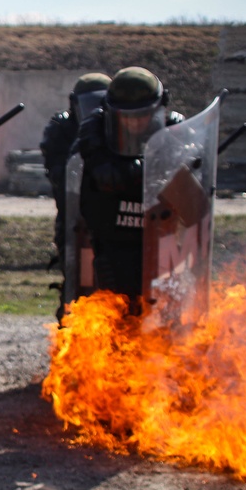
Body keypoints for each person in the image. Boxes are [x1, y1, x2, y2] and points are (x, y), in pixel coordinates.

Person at [75, 66, 184, 309]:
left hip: (160, 237)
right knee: (119, 313)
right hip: (114, 239)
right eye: (128, 116)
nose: (135, 123)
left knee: (167, 313)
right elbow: (107, 175)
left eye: (142, 115)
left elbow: (187, 178)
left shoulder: (175, 129)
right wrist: (147, 165)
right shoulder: (94, 128)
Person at [39, 72, 111, 320]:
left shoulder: (116, 128)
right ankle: (70, 330)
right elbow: (60, 174)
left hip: (111, 215)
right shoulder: (62, 128)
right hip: (74, 218)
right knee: (77, 280)